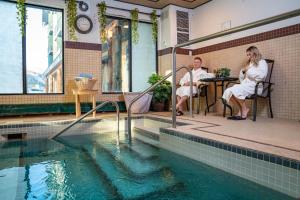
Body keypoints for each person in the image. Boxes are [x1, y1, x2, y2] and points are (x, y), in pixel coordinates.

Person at [222, 46, 268, 120]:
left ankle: (243, 111)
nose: (248, 57)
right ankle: (243, 109)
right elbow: (242, 77)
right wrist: (243, 72)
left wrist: (248, 71)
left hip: (255, 86)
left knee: (236, 89)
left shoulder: (262, 62)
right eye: (247, 55)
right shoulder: (250, 63)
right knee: (228, 91)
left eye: (249, 54)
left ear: (255, 53)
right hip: (246, 85)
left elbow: (262, 76)